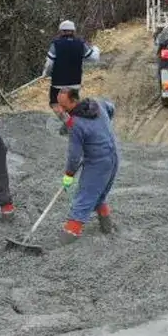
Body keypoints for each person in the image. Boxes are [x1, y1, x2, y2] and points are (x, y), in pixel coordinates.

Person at [58, 89, 120, 244]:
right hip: (113, 156)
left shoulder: (76, 124)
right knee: (99, 194)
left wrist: (69, 175)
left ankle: (68, 237)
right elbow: (111, 108)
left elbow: (74, 156)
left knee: (84, 196)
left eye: (64, 106)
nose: (61, 109)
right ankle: (107, 227)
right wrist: (101, 130)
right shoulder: (97, 103)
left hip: (97, 163)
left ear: (73, 101)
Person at [44, 20, 100, 132]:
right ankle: (79, 125)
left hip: (58, 82)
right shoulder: (80, 43)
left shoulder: (56, 44)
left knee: (55, 104)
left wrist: (46, 73)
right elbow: (93, 58)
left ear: (61, 31)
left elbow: (50, 63)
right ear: (73, 31)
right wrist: (96, 49)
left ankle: (70, 125)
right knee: (72, 105)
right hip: (75, 82)